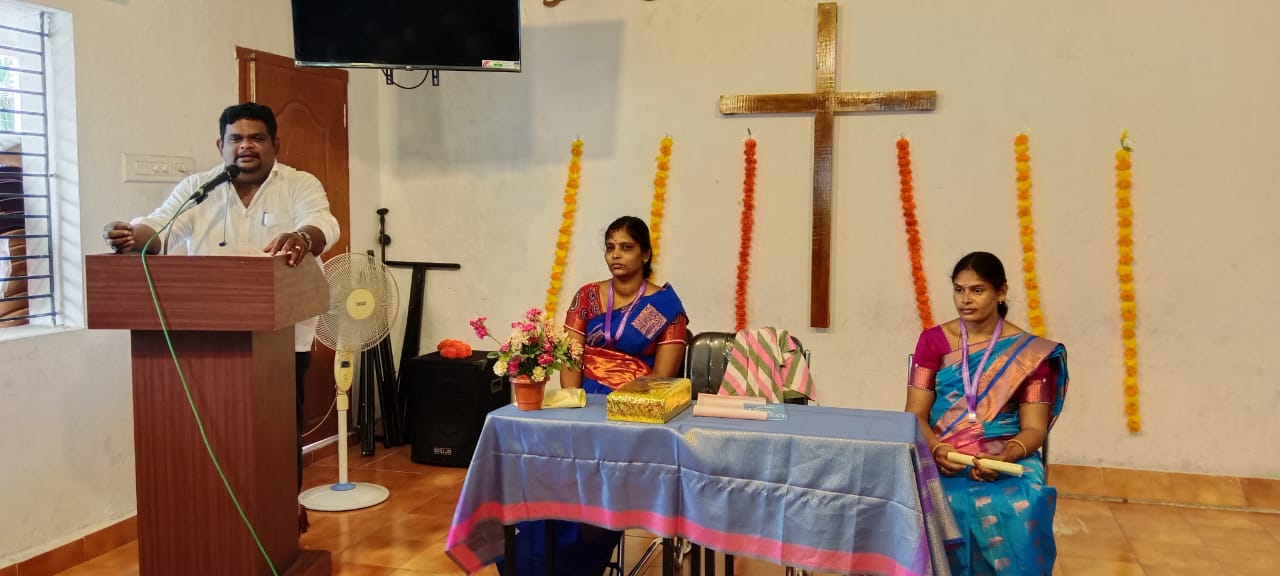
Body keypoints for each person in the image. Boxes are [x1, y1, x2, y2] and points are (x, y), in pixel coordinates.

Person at [102, 102, 340, 533]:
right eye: (237, 139)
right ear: (221, 145)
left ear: (274, 144)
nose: (246, 146)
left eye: (257, 138)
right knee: (212, 432)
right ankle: (214, 526)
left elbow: (323, 223)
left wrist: (303, 238)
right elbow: (160, 228)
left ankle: (279, 523)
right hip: (205, 339)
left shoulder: (299, 184)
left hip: (282, 337)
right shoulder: (199, 188)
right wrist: (131, 237)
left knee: (275, 433)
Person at [904, 251, 1068, 576]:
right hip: (940, 451)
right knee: (919, 502)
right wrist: (937, 449)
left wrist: (1007, 455)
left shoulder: (1029, 354)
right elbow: (914, 414)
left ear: (1000, 291)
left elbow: (1034, 428)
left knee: (1021, 505)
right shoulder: (933, 341)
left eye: (977, 290)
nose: (965, 300)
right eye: (959, 290)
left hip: (1004, 455)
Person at [560, 215, 690, 394]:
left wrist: (620, 402)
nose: (616, 255)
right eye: (610, 247)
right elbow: (570, 359)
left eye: (626, 247)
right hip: (586, 399)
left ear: (645, 254)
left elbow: (662, 377)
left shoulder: (664, 306)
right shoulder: (587, 296)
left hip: (637, 399)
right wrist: (573, 402)